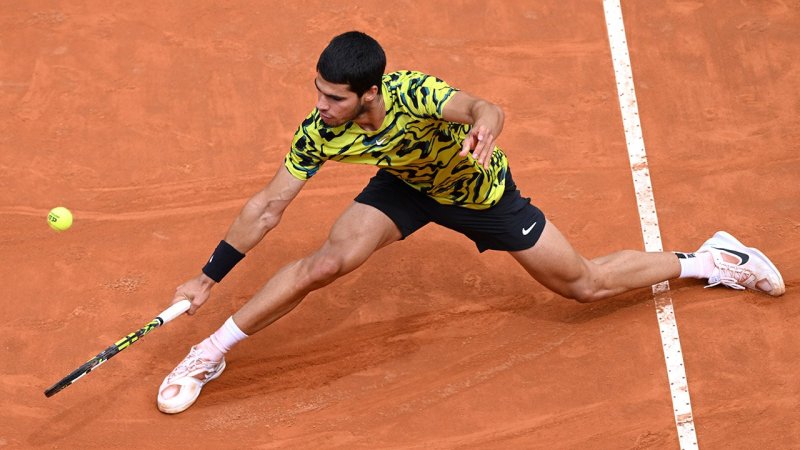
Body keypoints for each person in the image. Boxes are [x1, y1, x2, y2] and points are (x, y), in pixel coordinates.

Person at [156, 31, 785, 414]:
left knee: (583, 285)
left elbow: (485, 106)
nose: (320, 106)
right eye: (318, 91)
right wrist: (208, 277)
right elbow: (268, 206)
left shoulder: (413, 93)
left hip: (479, 192)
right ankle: (207, 355)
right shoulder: (318, 132)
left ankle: (711, 259)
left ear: (370, 93)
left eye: (334, 97)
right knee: (325, 263)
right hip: (405, 189)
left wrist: (485, 127)